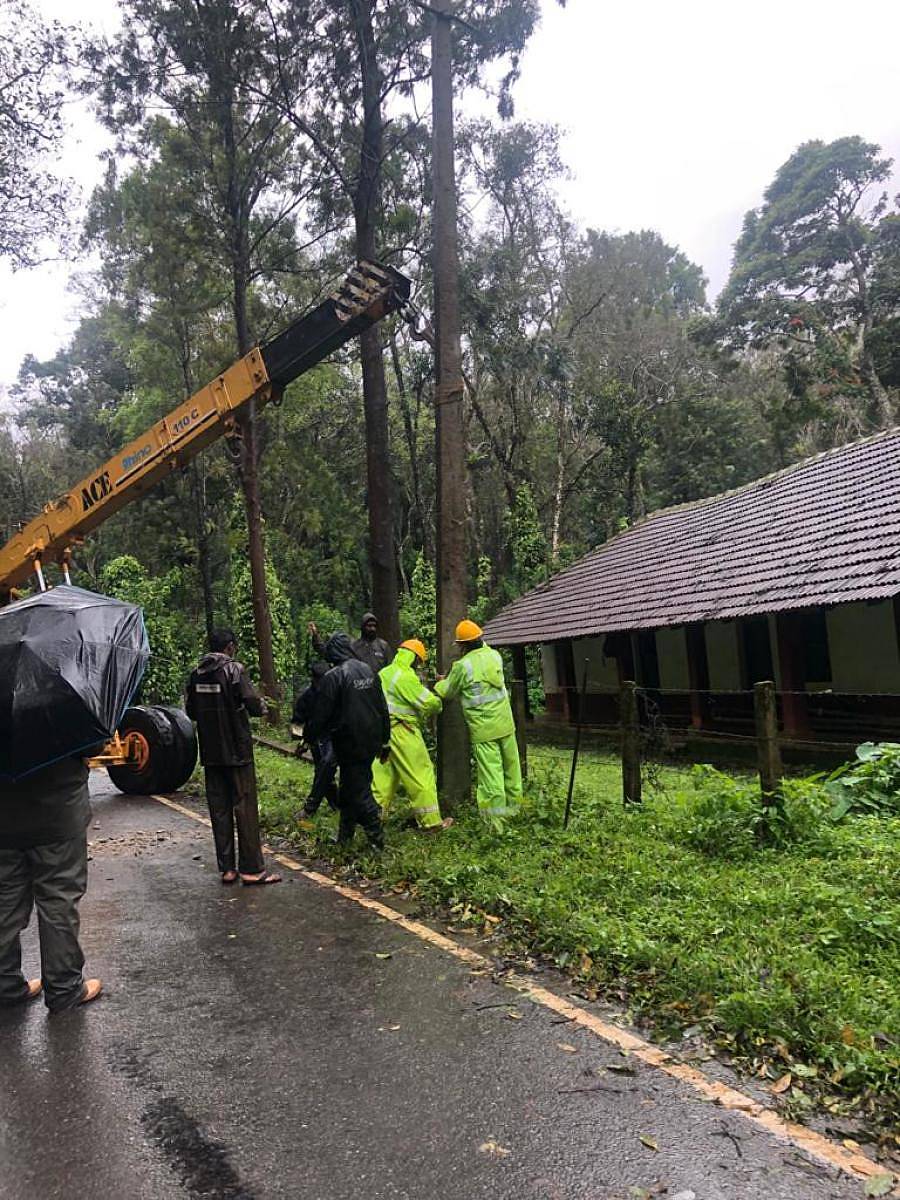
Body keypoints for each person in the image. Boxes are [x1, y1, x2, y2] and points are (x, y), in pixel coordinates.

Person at [0, 756, 102, 1013]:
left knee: (5, 899)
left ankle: (5, 985)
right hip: (58, 810)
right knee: (58, 898)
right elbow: (93, 743)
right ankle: (64, 989)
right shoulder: (60, 713)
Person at [185, 628, 281, 886]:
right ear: (229, 647)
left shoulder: (196, 674)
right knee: (245, 808)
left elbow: (191, 711)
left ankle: (227, 869)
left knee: (220, 810)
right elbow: (252, 703)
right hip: (237, 753)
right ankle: (252, 869)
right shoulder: (235, 670)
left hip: (211, 753)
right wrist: (262, 705)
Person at [304, 632, 389, 850]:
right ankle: (345, 838)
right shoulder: (367, 670)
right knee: (350, 788)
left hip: (349, 742)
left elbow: (321, 713)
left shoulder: (334, 676)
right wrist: (385, 740)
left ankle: (376, 841)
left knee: (359, 793)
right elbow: (382, 707)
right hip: (370, 740)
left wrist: (308, 736)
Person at [434, 619, 522, 825]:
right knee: (512, 770)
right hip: (506, 724)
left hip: (484, 730)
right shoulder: (495, 656)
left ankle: (495, 821)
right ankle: (516, 811)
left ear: (462, 645)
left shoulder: (462, 666)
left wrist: (439, 683)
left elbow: (447, 691)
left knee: (491, 775)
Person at [372, 639, 452, 832]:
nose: (418, 666)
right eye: (419, 661)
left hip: (382, 732)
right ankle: (431, 822)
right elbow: (429, 704)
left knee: (382, 777)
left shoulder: (384, 673)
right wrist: (439, 695)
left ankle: (373, 817)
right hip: (404, 731)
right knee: (421, 774)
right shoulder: (406, 677)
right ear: (414, 658)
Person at [291, 661, 338, 821]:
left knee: (326, 767)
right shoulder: (307, 696)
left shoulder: (336, 691)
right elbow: (297, 723)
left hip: (335, 736)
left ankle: (313, 807)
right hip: (316, 738)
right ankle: (335, 804)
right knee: (323, 771)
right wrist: (301, 741)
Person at [308, 613, 392, 676]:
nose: (372, 629)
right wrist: (315, 636)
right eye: (369, 626)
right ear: (362, 627)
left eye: (374, 626)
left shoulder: (383, 646)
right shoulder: (354, 645)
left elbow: (390, 668)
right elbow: (328, 652)